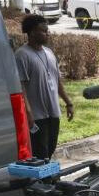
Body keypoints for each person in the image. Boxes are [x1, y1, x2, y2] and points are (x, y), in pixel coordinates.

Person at [15, 14, 74, 159]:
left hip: (53, 112)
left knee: (50, 149)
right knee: (40, 153)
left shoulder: (49, 53)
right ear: (32, 32)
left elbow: (57, 81)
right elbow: (20, 86)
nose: (48, 33)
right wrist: (28, 113)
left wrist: (68, 102)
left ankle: (49, 180)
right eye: (44, 30)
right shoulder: (22, 55)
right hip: (36, 116)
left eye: (47, 30)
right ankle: (43, 181)